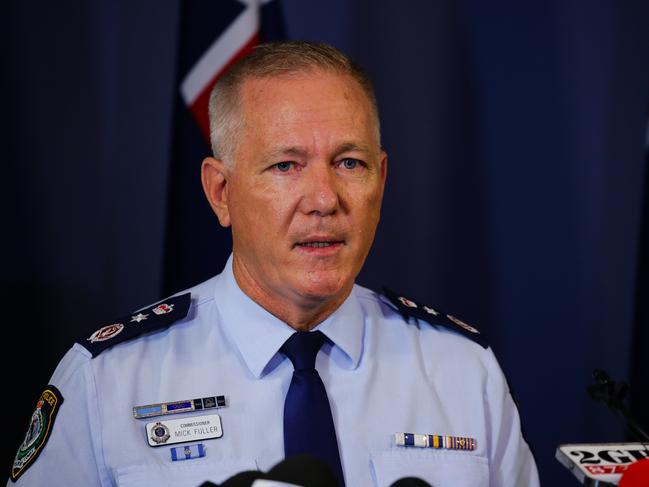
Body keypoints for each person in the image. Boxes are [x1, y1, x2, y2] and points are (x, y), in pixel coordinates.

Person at [8, 41, 540, 486]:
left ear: (382, 180)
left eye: (349, 163)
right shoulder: (111, 380)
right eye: (286, 165)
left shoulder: (463, 372)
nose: (324, 199)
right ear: (220, 191)